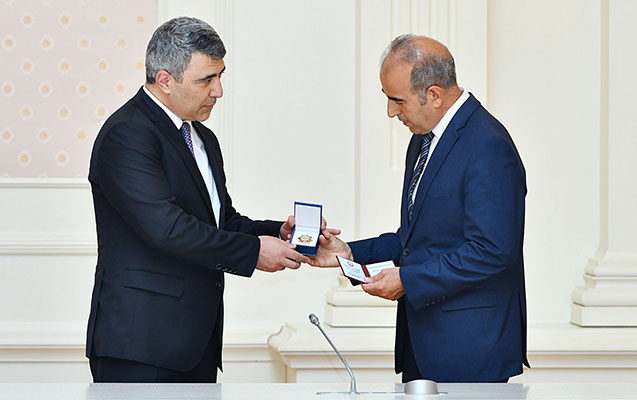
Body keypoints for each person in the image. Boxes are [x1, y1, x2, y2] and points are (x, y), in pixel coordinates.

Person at [86, 17, 322, 383]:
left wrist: (277, 232)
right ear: (165, 80)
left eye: (220, 76)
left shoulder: (203, 138)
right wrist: (253, 252)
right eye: (206, 80)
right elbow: (167, 228)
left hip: (195, 343)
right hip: (141, 345)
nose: (218, 91)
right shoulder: (127, 134)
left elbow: (220, 221)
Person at [309, 34, 529, 383]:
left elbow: (491, 251)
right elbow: (414, 240)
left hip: (471, 352)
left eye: (397, 100)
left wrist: (407, 280)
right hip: (423, 345)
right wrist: (348, 253)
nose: (390, 111)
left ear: (435, 95)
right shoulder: (422, 140)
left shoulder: (488, 145)